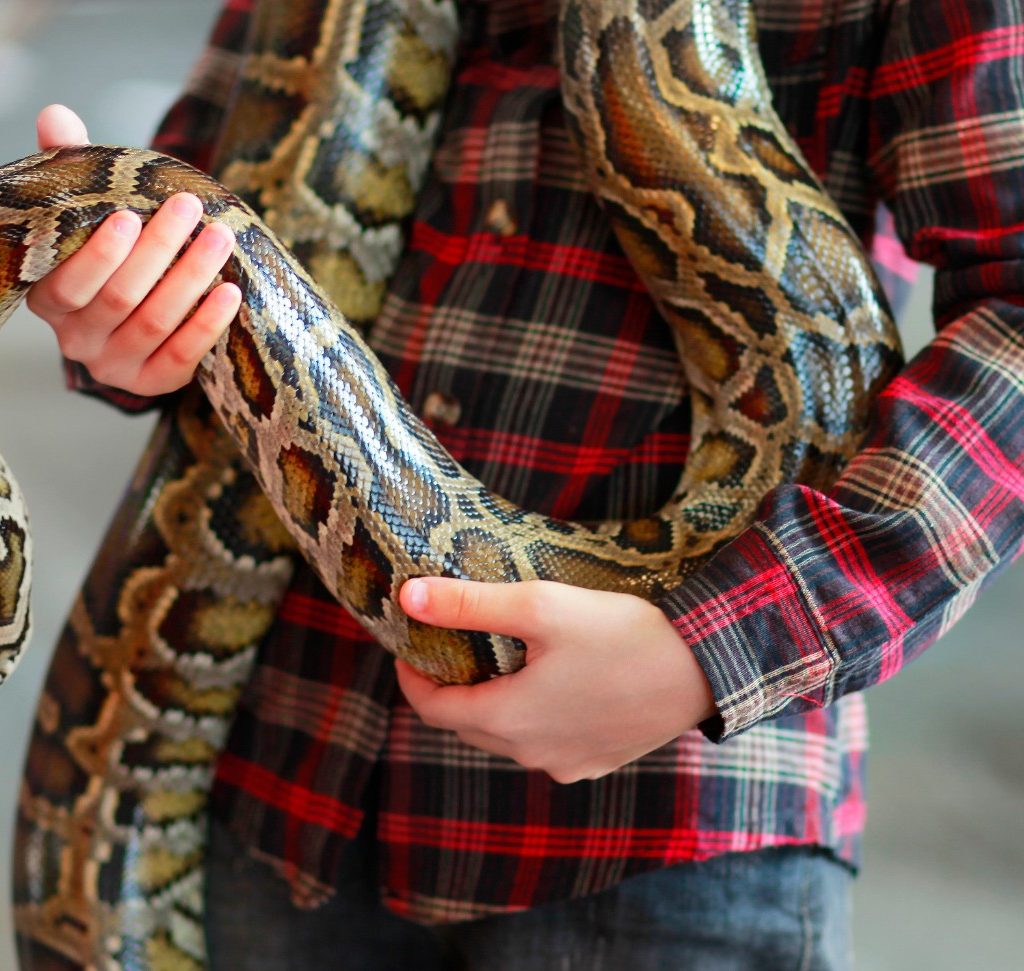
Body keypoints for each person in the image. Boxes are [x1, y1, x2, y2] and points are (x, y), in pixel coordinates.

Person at [25, 0, 1024, 968]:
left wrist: (712, 645)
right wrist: (125, 315)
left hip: (663, 823)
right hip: (284, 759)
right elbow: (233, 177)